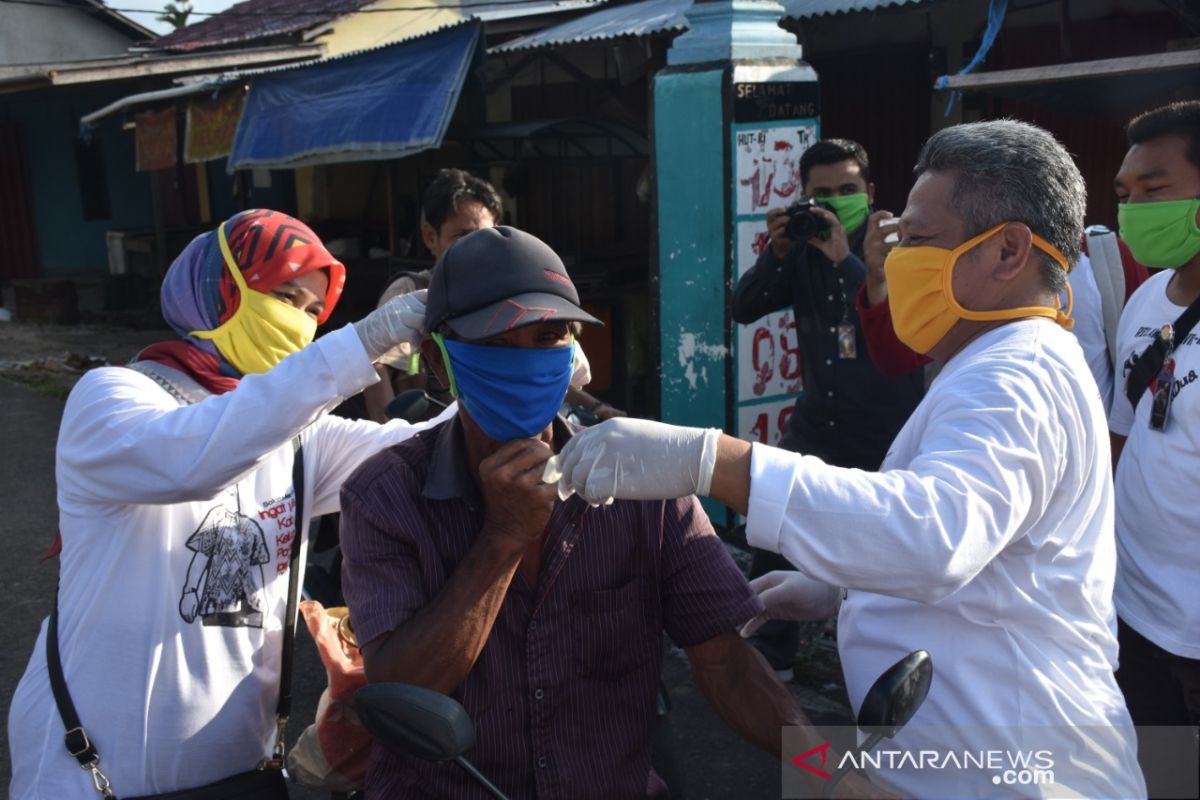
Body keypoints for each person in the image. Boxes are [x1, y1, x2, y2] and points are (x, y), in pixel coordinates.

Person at [549, 121, 1145, 798]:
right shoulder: (994, 361)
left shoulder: (1012, 376)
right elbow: (987, 548)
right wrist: (844, 590)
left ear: (1008, 250)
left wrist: (710, 459)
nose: (895, 260)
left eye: (917, 241)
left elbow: (934, 535)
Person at [338, 226, 864, 799]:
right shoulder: (384, 496)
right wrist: (503, 538)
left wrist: (828, 775)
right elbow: (404, 691)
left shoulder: (642, 481)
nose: (529, 362)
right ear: (440, 367)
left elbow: (727, 665)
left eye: (549, 336)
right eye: (495, 344)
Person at [7, 209, 443, 799]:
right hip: (87, 776)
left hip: (241, 777)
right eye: (285, 296)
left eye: (315, 312)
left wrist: (528, 379)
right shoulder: (112, 396)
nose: (300, 323)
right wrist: (357, 347)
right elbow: (195, 461)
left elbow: (427, 451)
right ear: (219, 290)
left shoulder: (298, 435)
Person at [731, 139, 923, 677]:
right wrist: (777, 252)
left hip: (885, 427)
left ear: (870, 192)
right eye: (822, 193)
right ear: (804, 195)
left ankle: (885, 660)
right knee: (773, 526)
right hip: (819, 419)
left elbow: (896, 329)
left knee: (882, 550)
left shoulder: (898, 248)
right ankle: (773, 648)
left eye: (847, 190)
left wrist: (845, 262)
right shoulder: (803, 246)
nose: (836, 202)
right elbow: (744, 307)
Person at [363, 168, 623, 424]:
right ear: (431, 237)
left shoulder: (509, 295)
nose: (475, 247)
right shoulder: (412, 293)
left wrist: (597, 408)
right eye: (461, 236)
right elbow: (377, 368)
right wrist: (393, 437)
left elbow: (539, 372)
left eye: (483, 235)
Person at [1108, 101, 1200, 791]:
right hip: (1134, 618)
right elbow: (1123, 438)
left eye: (1155, 190)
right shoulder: (1145, 304)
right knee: (1157, 781)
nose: (1135, 208)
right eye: (1126, 193)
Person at [856, 211, 1148, 412]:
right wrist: (878, 280)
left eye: (920, 235)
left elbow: (1146, 370)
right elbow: (897, 357)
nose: (910, 247)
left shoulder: (1107, 259)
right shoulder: (954, 272)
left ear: (1011, 247)